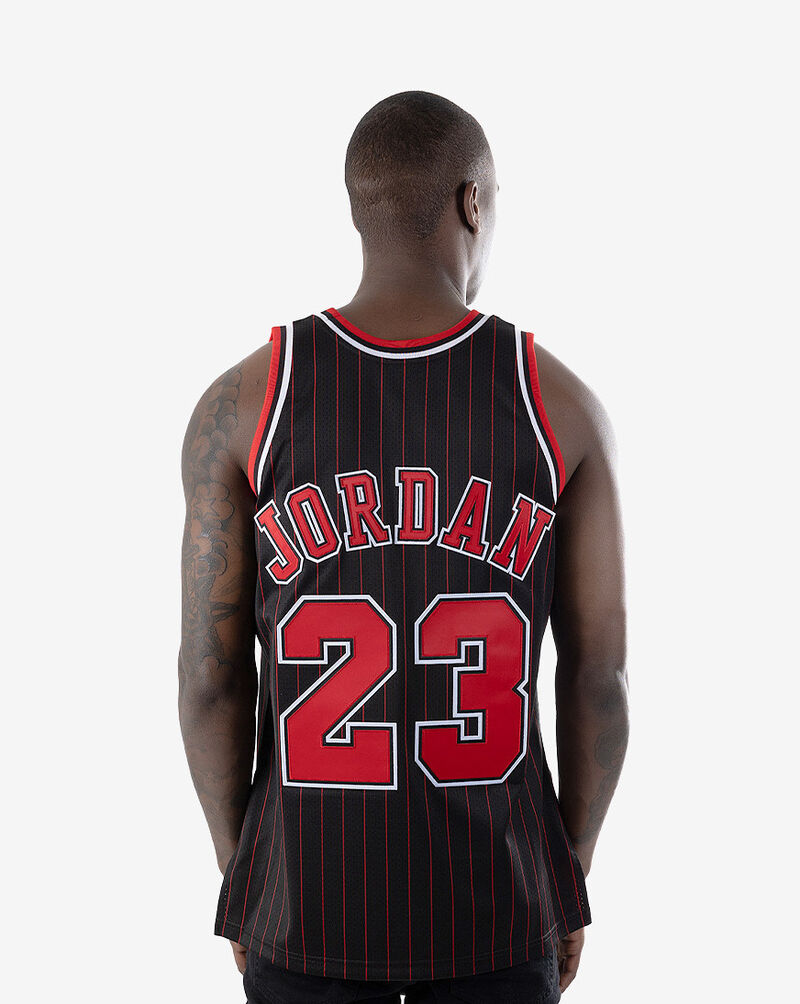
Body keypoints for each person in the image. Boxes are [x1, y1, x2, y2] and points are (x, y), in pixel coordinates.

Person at [179, 91, 628, 1004]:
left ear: (360, 210)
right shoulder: (561, 406)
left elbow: (210, 678)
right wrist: (565, 875)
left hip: (304, 911)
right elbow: (598, 681)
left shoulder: (244, 404)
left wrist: (244, 873)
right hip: (499, 913)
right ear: (472, 202)